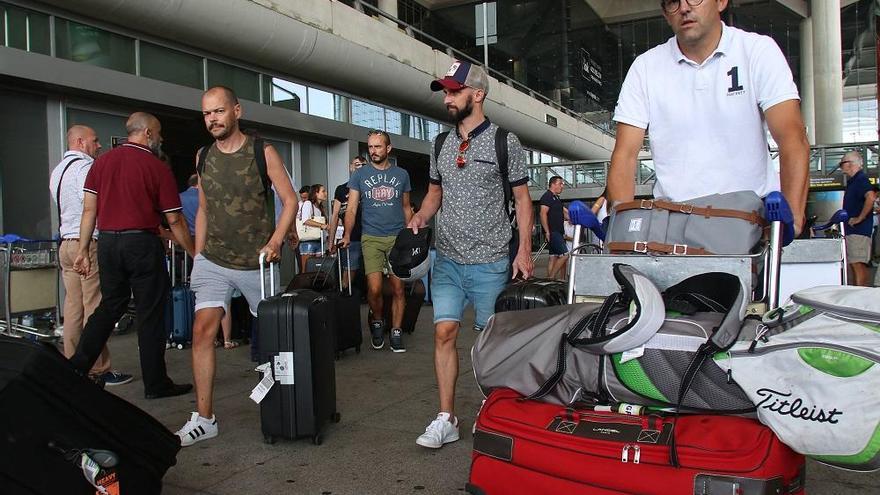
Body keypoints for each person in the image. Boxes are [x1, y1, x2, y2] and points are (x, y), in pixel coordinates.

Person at [408, 60, 533, 449]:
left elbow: (522, 198)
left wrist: (524, 250)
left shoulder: (504, 141)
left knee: (487, 343)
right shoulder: (441, 143)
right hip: (447, 258)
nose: (447, 98)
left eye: (454, 91)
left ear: (476, 94)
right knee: (444, 332)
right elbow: (434, 193)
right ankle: (446, 418)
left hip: (492, 260)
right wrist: (420, 217)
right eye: (445, 92)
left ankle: (492, 411)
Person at [607, 0, 809, 234]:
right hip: (672, 223)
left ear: (721, 2)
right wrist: (620, 226)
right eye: (673, 2)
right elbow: (625, 154)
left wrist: (792, 219)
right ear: (665, 13)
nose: (684, 8)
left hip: (750, 220)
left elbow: (792, 138)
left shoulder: (757, 51)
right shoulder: (645, 68)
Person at [175, 86, 298, 446]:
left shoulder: (263, 151)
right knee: (202, 330)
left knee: (276, 340)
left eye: (218, 111)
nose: (212, 119)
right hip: (213, 258)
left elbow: (289, 200)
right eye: (207, 114)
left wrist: (276, 241)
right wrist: (199, 255)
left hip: (256, 263)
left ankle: (285, 406)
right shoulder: (202, 156)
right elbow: (204, 209)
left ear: (237, 111)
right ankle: (204, 417)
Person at [69, 112, 194, 396]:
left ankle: (77, 366)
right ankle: (156, 383)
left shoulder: (101, 162)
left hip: (109, 244)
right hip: (142, 244)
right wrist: (193, 251)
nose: (161, 139)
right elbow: (174, 219)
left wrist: (83, 251)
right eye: (159, 133)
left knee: (109, 306)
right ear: (148, 133)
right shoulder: (156, 167)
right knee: (150, 314)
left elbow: (90, 210)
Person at [49, 125, 132, 387]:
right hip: (87, 243)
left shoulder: (57, 171)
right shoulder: (86, 169)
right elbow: (92, 207)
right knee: (95, 307)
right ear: (81, 142)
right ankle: (97, 368)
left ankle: (74, 364)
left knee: (73, 307)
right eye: (95, 141)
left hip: (65, 244)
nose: (99, 146)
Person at [341, 130, 412, 352]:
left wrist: (410, 236)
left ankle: (397, 331)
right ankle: (378, 321)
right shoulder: (359, 176)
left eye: (378, 147)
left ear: (388, 149)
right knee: (374, 289)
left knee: (399, 288)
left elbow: (405, 207)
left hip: (397, 237)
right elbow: (351, 208)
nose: (373, 151)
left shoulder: (402, 174)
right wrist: (346, 233)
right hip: (371, 237)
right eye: (370, 147)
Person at [329, 156, 366, 290]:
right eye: (357, 164)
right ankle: (344, 300)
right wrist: (331, 241)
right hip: (352, 237)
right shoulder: (342, 189)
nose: (360, 167)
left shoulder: (370, 187)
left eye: (363, 165)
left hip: (371, 236)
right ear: (351, 167)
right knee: (349, 273)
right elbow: (334, 216)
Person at [840, 151, 875, 286]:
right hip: (854, 230)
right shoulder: (855, 181)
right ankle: (859, 293)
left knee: (857, 264)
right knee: (855, 264)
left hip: (858, 231)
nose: (841, 167)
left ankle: (860, 295)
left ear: (849, 164)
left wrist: (860, 218)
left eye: (841, 163)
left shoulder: (860, 179)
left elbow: (871, 197)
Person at [540, 176, 568, 279]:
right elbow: (543, 214)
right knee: (565, 255)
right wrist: (547, 232)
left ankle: (552, 280)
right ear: (553, 184)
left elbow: (565, 213)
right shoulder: (547, 196)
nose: (562, 186)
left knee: (553, 257)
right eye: (560, 183)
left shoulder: (556, 198)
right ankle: (551, 277)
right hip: (553, 231)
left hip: (558, 231)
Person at [298, 184, 330, 272]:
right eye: (323, 191)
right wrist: (321, 225)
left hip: (320, 242)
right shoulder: (308, 204)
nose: (325, 193)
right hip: (308, 242)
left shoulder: (320, 208)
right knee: (307, 270)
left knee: (318, 270)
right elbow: (306, 220)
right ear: (316, 193)